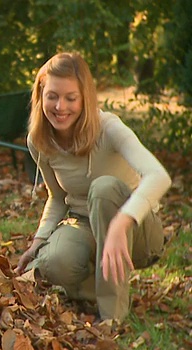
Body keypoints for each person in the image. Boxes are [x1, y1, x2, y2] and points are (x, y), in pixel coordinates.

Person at [15, 52, 171, 321]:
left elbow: (159, 176)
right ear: (40, 95)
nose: (60, 106)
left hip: (137, 228)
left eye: (70, 98)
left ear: (84, 98)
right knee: (52, 262)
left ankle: (112, 315)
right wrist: (38, 240)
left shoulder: (108, 128)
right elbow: (57, 196)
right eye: (52, 96)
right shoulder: (38, 140)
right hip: (85, 223)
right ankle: (99, 286)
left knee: (104, 188)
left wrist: (122, 222)